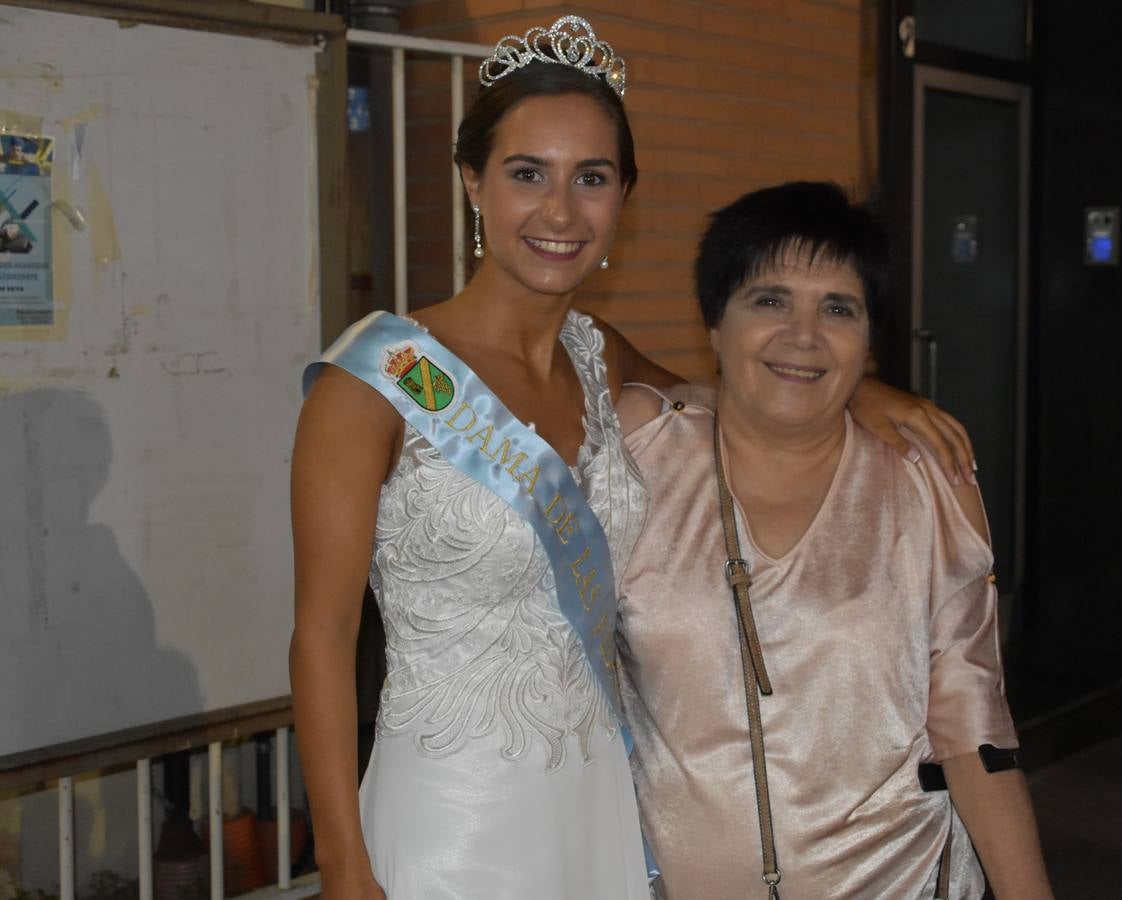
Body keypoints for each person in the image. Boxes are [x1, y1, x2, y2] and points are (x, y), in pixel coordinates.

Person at [290, 17, 974, 899]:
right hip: (449, 821)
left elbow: (728, 394)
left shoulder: (595, 354)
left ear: (622, 199)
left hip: (600, 807)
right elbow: (322, 638)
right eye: (526, 173)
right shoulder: (381, 377)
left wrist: (862, 386)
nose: (560, 211)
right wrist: (345, 866)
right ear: (473, 182)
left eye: (592, 179)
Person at [616, 182, 1054, 899]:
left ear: (869, 339)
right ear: (713, 321)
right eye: (770, 300)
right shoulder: (639, 463)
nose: (804, 335)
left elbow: (973, 729)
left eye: (839, 309)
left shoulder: (926, 483)